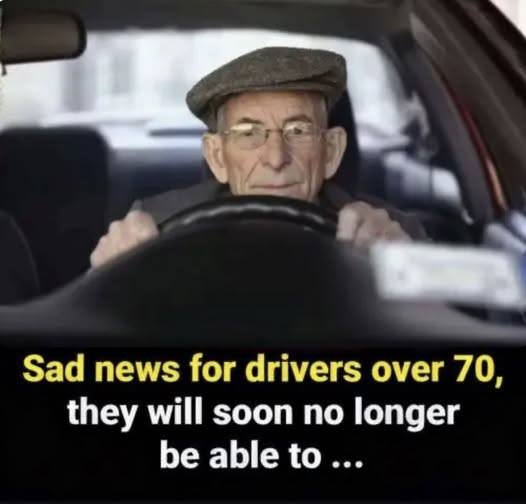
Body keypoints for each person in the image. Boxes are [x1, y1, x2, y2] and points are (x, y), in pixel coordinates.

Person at [90, 46, 425, 267]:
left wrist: (405, 271)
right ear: (217, 157)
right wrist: (105, 278)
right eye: (249, 133)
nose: (276, 158)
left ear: (332, 152)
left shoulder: (390, 232)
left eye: (298, 130)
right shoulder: (154, 227)